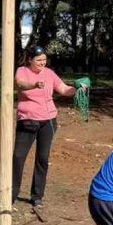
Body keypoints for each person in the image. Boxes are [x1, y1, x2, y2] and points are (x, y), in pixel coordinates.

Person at [13, 45, 81, 209]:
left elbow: (63, 89)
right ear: (30, 59)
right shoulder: (22, 71)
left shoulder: (49, 73)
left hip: (48, 121)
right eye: (38, 60)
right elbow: (19, 84)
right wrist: (35, 85)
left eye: (44, 59)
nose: (42, 63)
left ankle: (37, 196)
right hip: (28, 120)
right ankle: (11, 194)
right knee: (18, 157)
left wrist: (78, 88)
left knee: (42, 159)